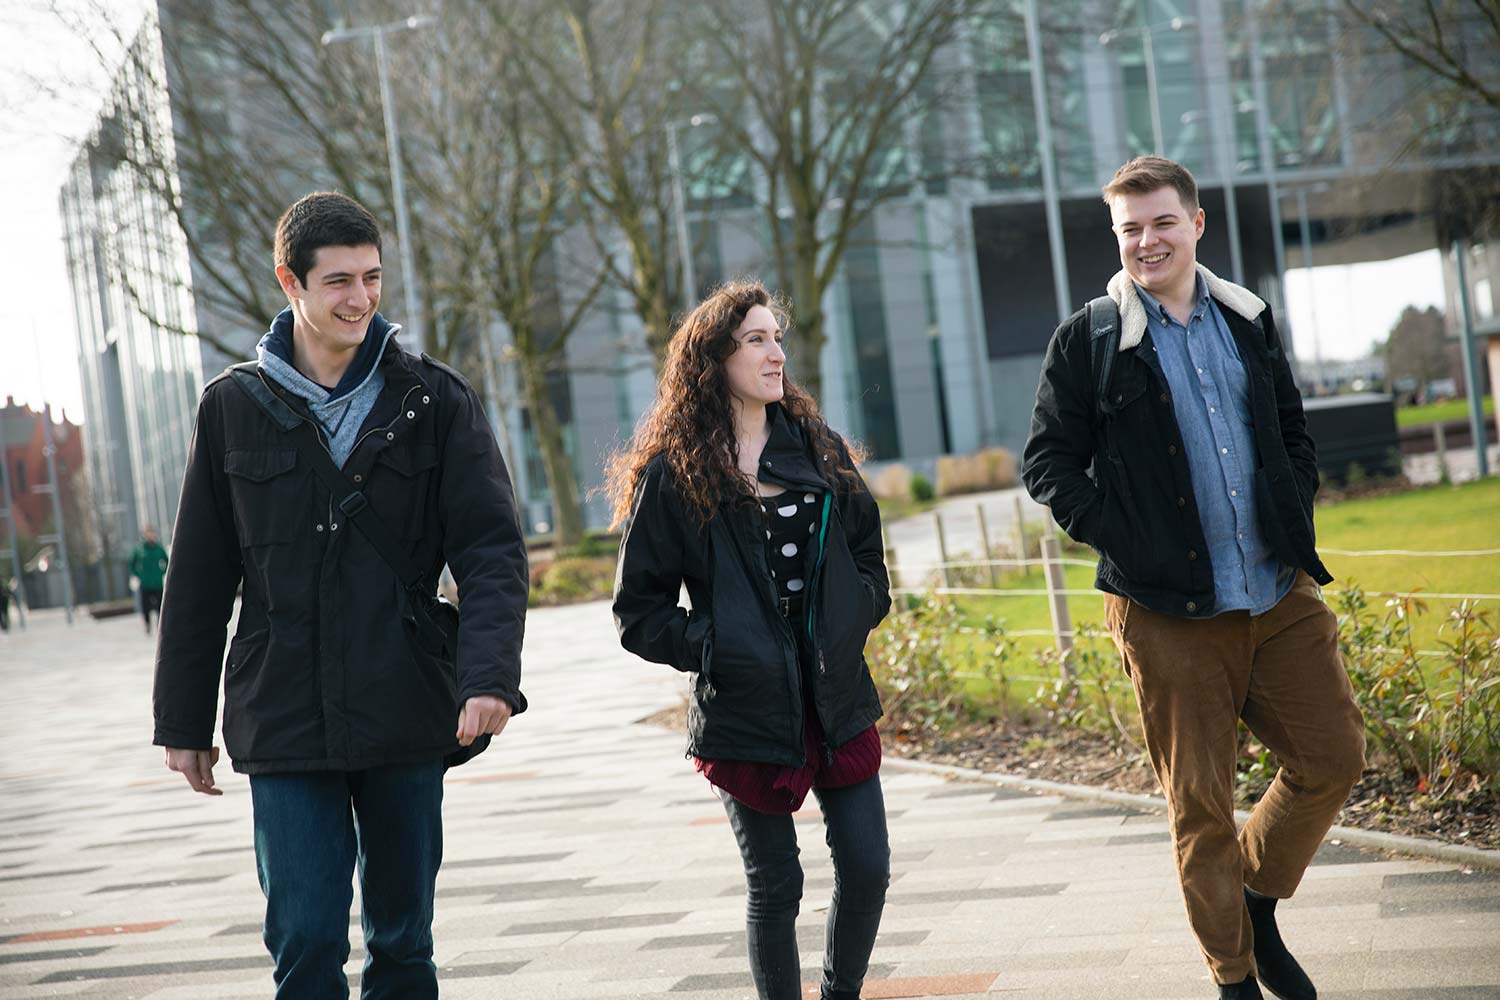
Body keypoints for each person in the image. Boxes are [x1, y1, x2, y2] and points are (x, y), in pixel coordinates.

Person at [152, 191, 530, 999]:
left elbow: (492, 549)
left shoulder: (434, 399)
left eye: (372, 278)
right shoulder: (231, 408)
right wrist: (182, 721)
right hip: (283, 715)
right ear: (290, 281)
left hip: (404, 702)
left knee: (403, 944)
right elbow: (199, 579)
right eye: (339, 282)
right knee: (305, 943)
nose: (361, 299)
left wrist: (490, 676)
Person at [1022, 156, 1365, 1000]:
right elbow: (1047, 462)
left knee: (1333, 755)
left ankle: (1255, 901)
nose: (1148, 241)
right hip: (1165, 609)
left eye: (1163, 222)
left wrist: (1294, 504)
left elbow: (1292, 429)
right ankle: (1234, 978)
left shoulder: (1248, 318)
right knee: (1201, 809)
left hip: (1276, 589)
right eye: (1130, 228)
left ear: (1197, 223)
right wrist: (1124, 537)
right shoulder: (1090, 340)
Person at [608, 280, 892, 1000]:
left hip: (835, 694)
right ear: (715, 359)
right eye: (756, 340)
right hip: (746, 705)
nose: (776, 354)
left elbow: (868, 556)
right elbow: (638, 610)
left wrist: (852, 617)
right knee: (776, 883)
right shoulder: (677, 473)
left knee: (868, 867)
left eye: (777, 338)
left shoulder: (818, 449)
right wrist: (716, 647)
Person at [128, 525, 168, 634]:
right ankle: (147, 624)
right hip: (145, 583)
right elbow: (132, 564)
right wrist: (138, 574)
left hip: (157, 583)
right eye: (148, 533)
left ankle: (160, 625)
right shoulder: (139, 549)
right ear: (145, 535)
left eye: (152, 533)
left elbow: (167, 561)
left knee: (160, 606)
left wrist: (162, 572)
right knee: (145, 606)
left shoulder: (159, 548)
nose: (151, 535)